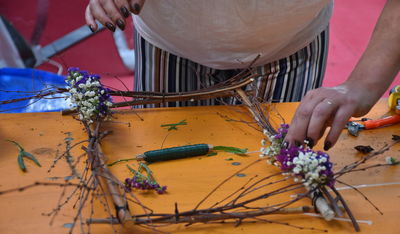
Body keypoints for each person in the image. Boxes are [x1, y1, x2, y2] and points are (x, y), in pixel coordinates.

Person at [85, 0, 400, 150]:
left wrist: (363, 84)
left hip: (288, 45)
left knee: (276, 190)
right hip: (169, 41)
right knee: (162, 174)